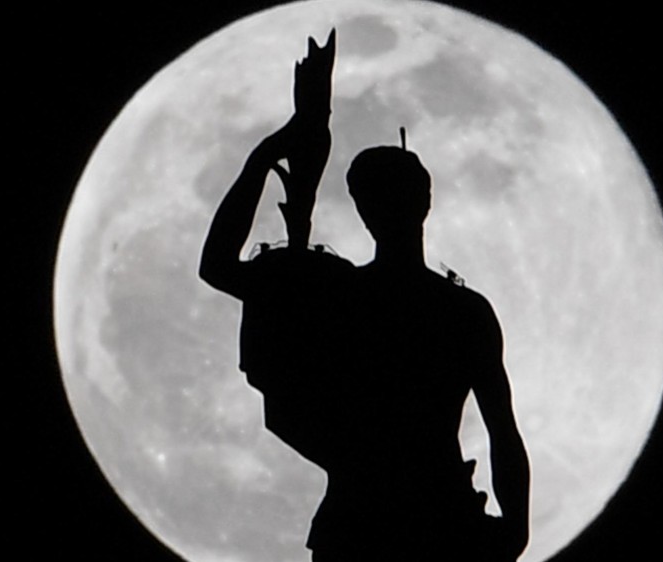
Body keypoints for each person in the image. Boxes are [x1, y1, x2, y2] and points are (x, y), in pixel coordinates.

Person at [199, 32, 530, 562]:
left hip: (426, 519)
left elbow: (503, 432)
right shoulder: (360, 294)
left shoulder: (419, 304)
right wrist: (515, 526)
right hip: (383, 519)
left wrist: (273, 150)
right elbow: (216, 268)